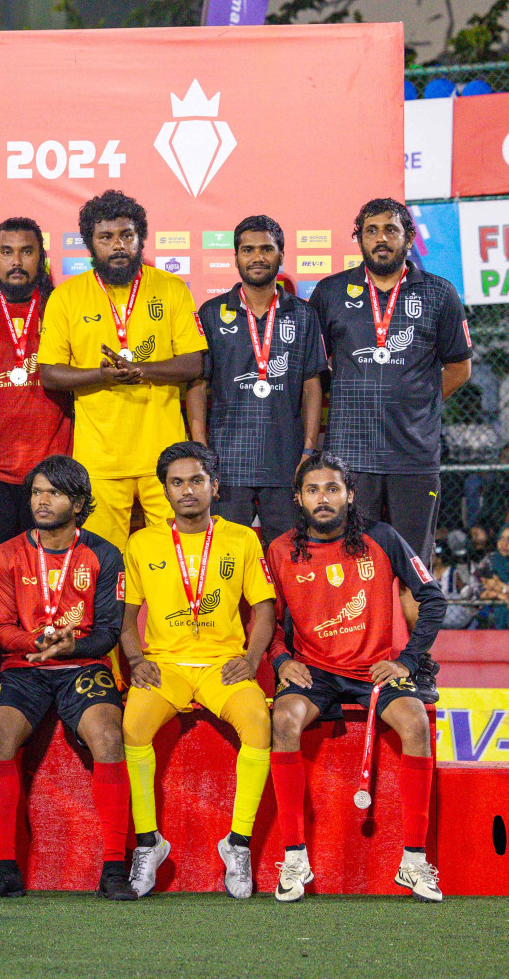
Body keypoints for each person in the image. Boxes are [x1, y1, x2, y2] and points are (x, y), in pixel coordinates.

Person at [266, 452, 445, 903]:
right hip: (317, 673)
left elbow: (432, 598)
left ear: (349, 494)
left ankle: (414, 861)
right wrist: (280, 659)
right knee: (283, 721)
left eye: (332, 488)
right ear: (298, 499)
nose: (322, 498)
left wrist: (407, 659)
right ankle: (294, 858)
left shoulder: (381, 538)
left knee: (417, 724)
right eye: (312, 490)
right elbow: (267, 620)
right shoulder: (280, 548)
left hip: (375, 672)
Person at [119, 441, 276, 899]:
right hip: (164, 666)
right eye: (177, 482)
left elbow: (263, 611)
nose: (187, 490)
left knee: (258, 724)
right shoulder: (142, 541)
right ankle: (149, 843)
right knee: (132, 727)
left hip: (219, 667)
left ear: (215, 486)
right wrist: (135, 661)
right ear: (165, 490)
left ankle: (238, 844)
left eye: (196, 480)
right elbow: (126, 619)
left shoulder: (242, 538)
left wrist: (249, 660)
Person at [0, 454, 133, 901]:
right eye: (37, 492)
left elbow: (106, 632)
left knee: (107, 734)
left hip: (81, 666)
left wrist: (69, 646)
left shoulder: (104, 554)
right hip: (25, 667)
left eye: (55, 493)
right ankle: (5, 868)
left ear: (79, 502)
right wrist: (36, 642)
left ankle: (114, 869)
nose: (42, 501)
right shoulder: (7, 552)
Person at [38, 191, 206, 553]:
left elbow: (194, 363)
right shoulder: (66, 297)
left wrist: (140, 370)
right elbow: (49, 373)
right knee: (105, 563)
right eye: (106, 237)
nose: (118, 245)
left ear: (140, 238)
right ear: (89, 243)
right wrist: (102, 377)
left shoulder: (172, 288)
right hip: (100, 459)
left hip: (166, 457)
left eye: (127, 235)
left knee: (181, 558)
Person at [311, 197, 472, 574]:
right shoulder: (330, 292)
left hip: (413, 454)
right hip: (348, 454)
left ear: (409, 237)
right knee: (351, 564)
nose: (381, 238)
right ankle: (358, 635)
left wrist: (418, 401)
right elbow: (314, 373)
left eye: (390, 230)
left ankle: (414, 637)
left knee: (413, 565)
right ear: (359, 238)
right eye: (371, 231)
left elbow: (460, 369)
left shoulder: (439, 293)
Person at [187, 216, 324, 545]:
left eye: (266, 249)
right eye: (247, 250)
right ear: (235, 258)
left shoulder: (303, 314)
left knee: (292, 558)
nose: (257, 257)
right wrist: (201, 449)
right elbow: (196, 385)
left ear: (281, 255)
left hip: (286, 461)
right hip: (226, 463)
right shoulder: (211, 312)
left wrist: (308, 449)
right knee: (223, 559)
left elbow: (312, 387)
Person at [0, 217, 71, 548]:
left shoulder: (62, 307)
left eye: (27, 252)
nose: (17, 262)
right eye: (7, 252)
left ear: (42, 256)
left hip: (51, 470)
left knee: (48, 575)